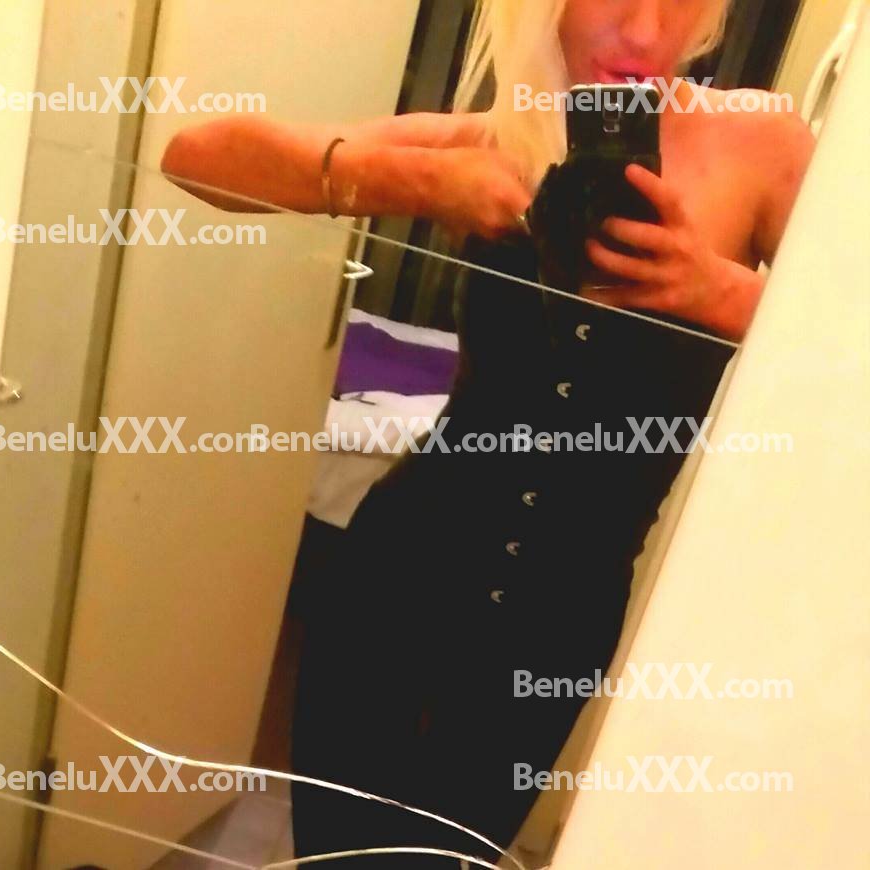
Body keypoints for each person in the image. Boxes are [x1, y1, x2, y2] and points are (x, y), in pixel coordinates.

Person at [162, 1, 813, 865]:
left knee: (450, 858)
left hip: (556, 635)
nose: (646, 33)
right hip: (391, 586)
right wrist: (409, 184)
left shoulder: (764, 149)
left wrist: (726, 294)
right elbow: (194, 155)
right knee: (334, 855)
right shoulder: (490, 140)